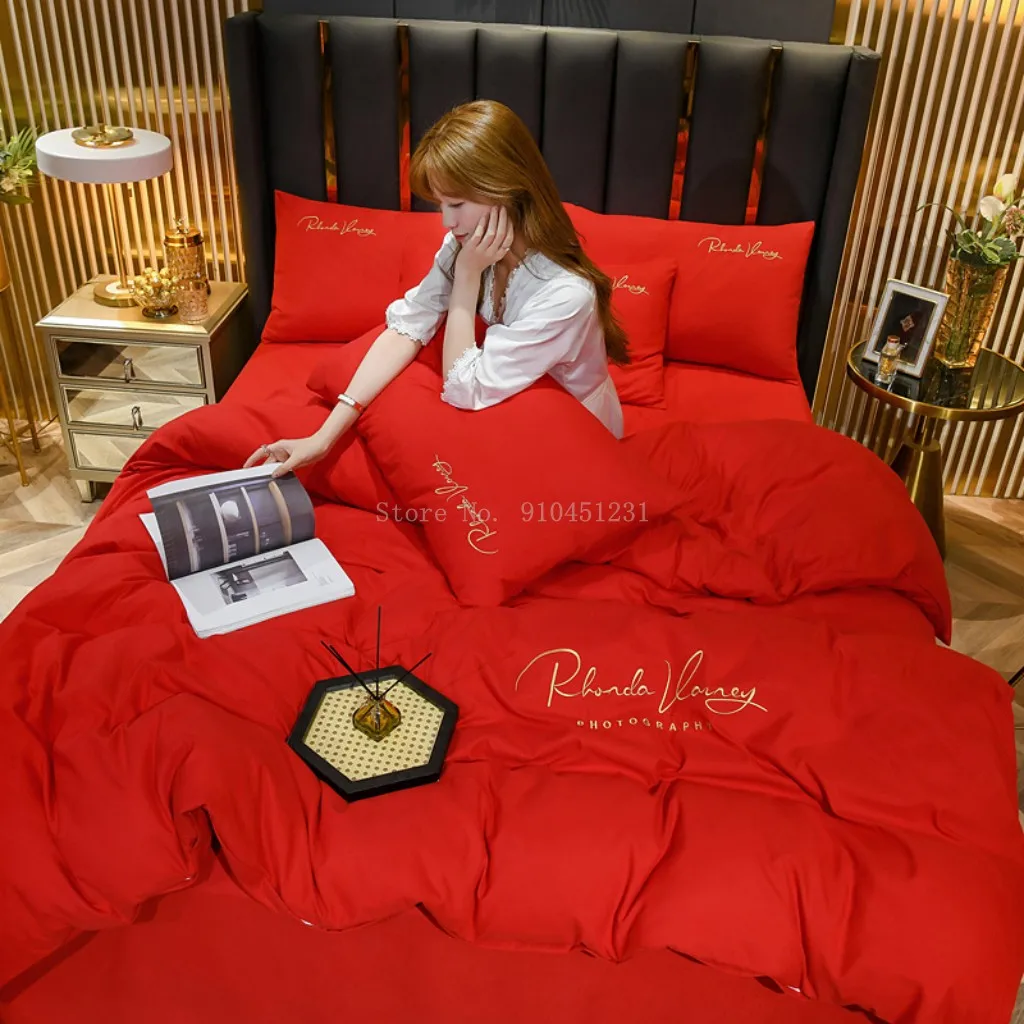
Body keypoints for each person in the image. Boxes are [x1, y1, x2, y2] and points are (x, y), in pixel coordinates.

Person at [245, 99, 629, 478]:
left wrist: (467, 278)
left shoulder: (564, 294)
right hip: (505, 402)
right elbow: (408, 328)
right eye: (440, 204)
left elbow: (464, 388)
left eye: (457, 204)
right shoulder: (467, 246)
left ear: (505, 188)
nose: (447, 221)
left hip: (569, 432)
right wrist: (323, 437)